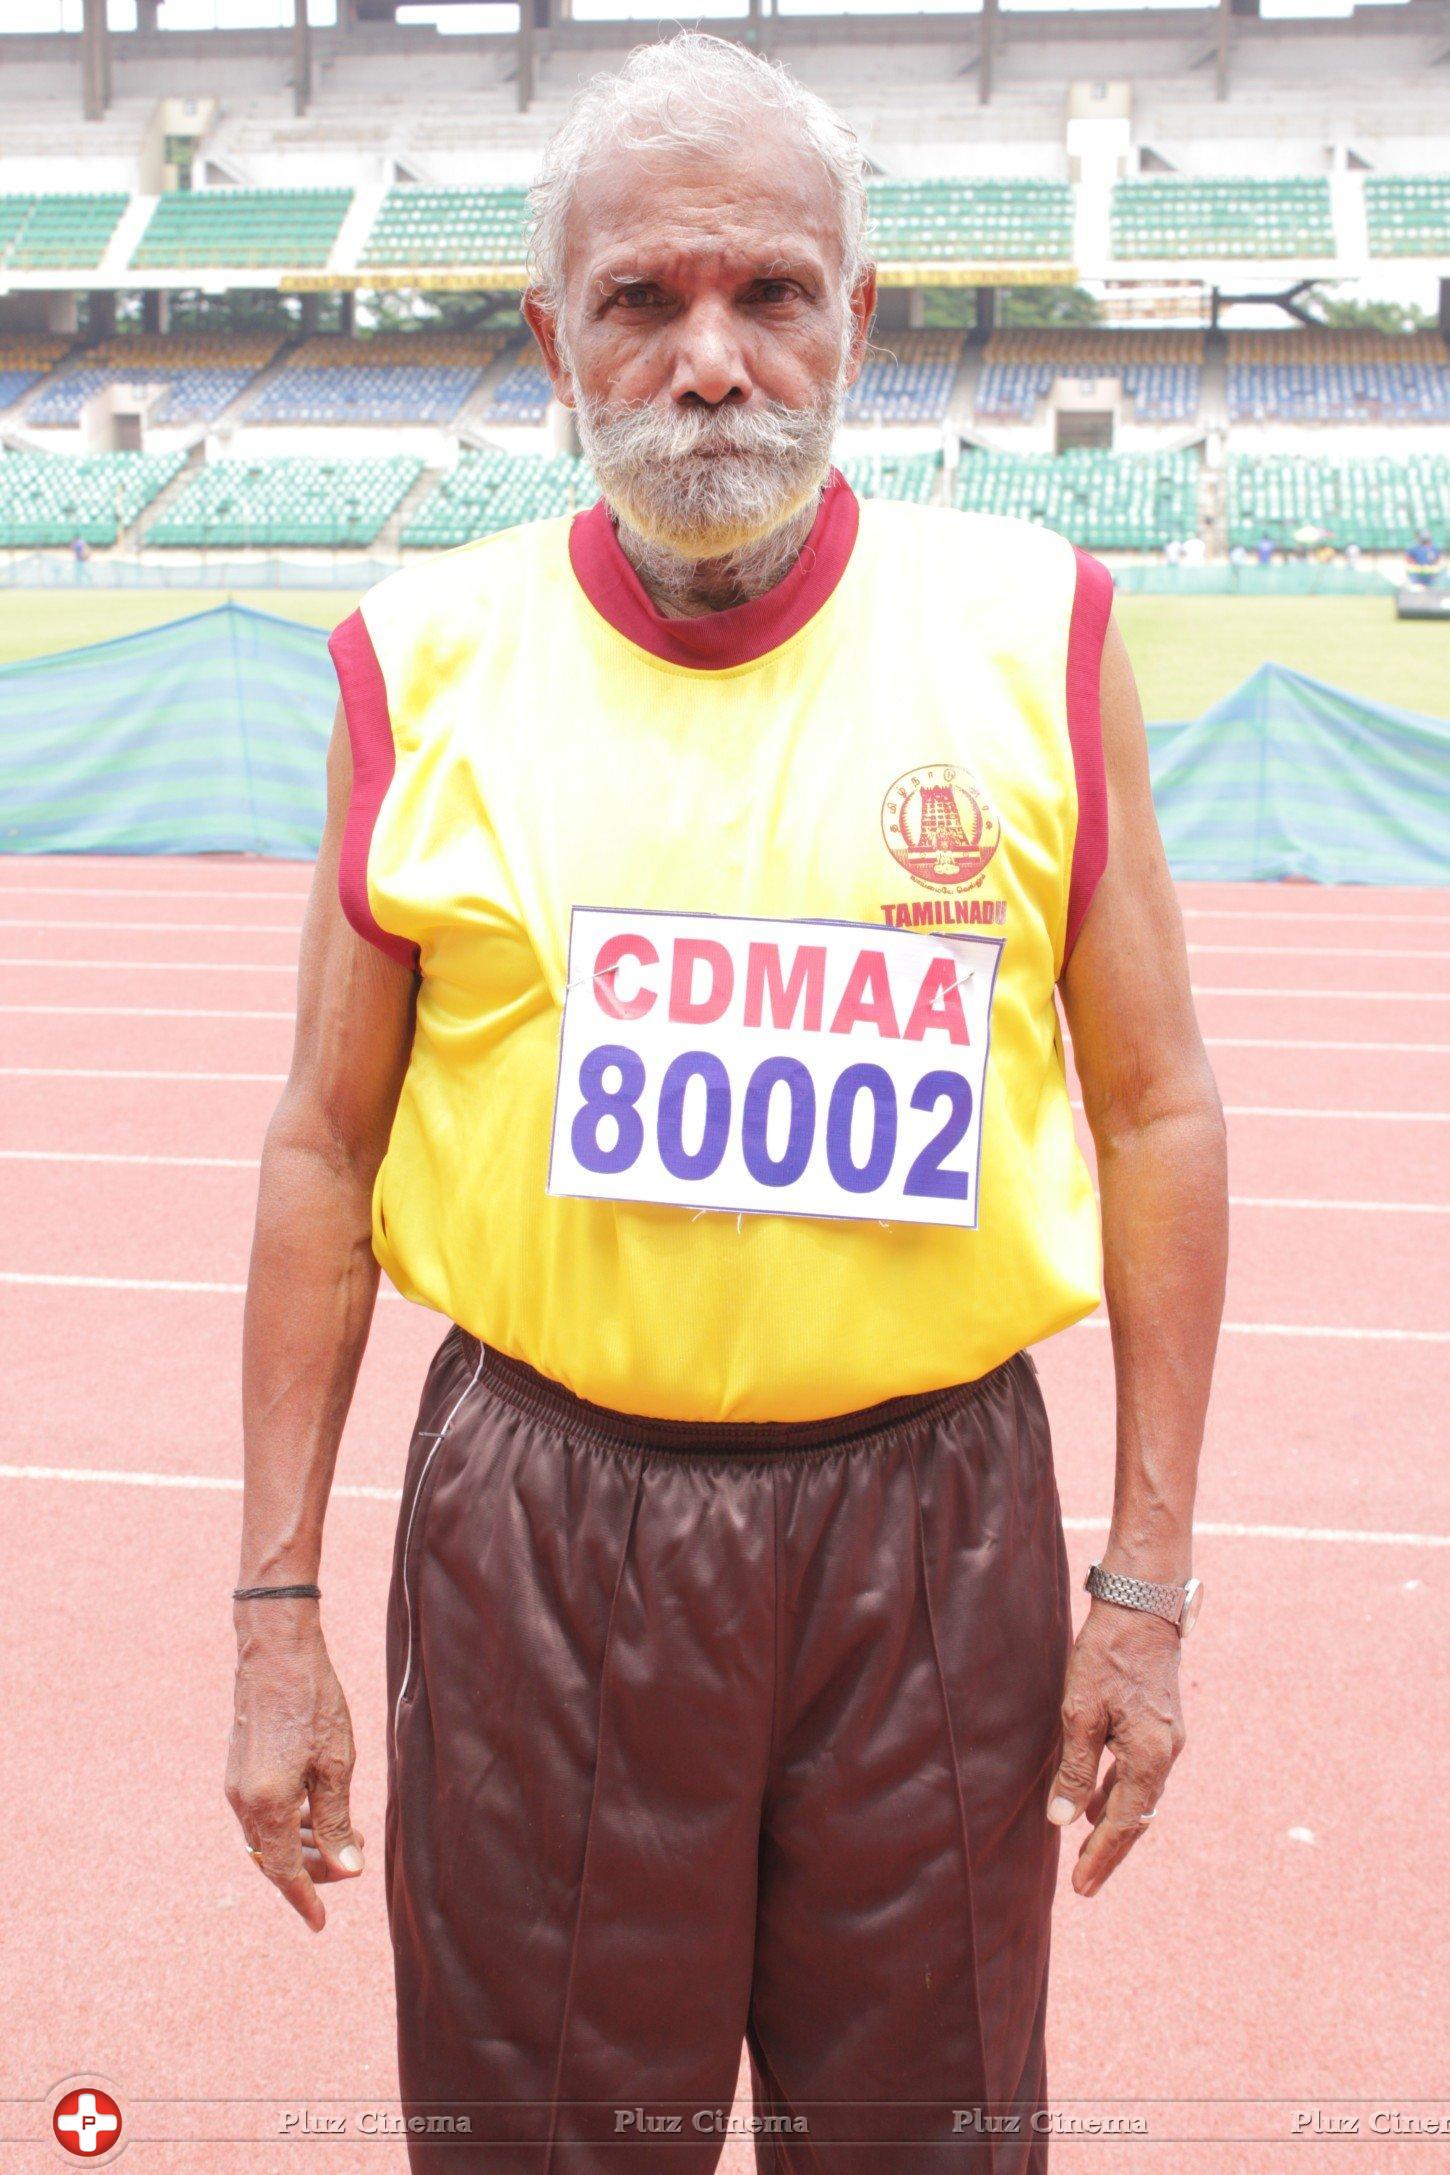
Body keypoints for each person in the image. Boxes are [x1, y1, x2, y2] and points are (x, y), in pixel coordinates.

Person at [224, 33, 1228, 2174]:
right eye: (643, 302)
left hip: (931, 1531)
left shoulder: (1031, 631)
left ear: (857, 319)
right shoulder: (422, 664)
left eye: (770, 294)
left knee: (922, 2138)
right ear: (548, 337)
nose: (709, 362)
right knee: (546, 2142)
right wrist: (273, 1614)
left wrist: (1137, 1586)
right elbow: (320, 1140)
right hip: (544, 1530)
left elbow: (1156, 1112)